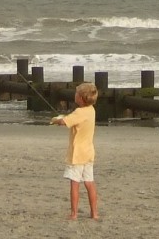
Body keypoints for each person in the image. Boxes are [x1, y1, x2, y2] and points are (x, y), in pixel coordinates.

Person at [51, 82, 100, 220]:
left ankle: (74, 214)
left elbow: (65, 122)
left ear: (81, 98)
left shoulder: (79, 112)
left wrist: (56, 120)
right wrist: (63, 119)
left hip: (77, 154)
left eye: (77, 93)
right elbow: (71, 120)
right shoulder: (91, 110)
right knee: (89, 183)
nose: (75, 95)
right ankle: (94, 213)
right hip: (89, 152)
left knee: (74, 183)